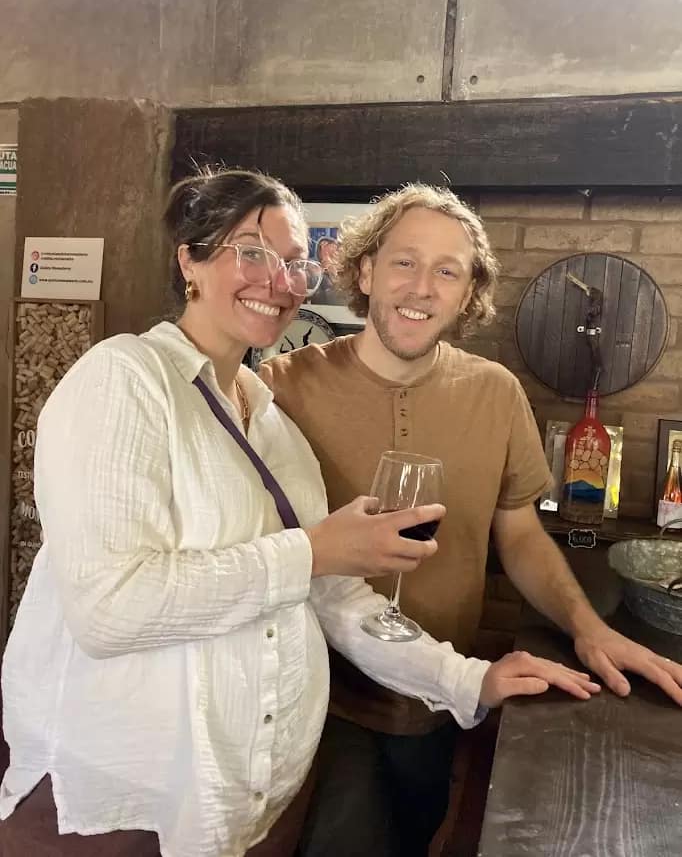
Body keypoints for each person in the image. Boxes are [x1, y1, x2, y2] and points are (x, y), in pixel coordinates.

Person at [0, 169, 593, 857]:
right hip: (128, 799)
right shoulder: (125, 377)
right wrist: (312, 551)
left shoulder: (268, 418)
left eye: (292, 263)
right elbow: (109, 608)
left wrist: (469, 679)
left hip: (251, 798)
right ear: (190, 260)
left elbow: (333, 592)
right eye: (250, 252)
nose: (277, 281)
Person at [259, 183, 682, 857]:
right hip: (321, 698)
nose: (421, 287)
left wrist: (589, 628)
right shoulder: (281, 386)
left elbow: (519, 534)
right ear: (365, 271)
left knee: (418, 832)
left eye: (447, 271)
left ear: (467, 295)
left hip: (442, 696)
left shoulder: (496, 391)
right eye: (404, 262)